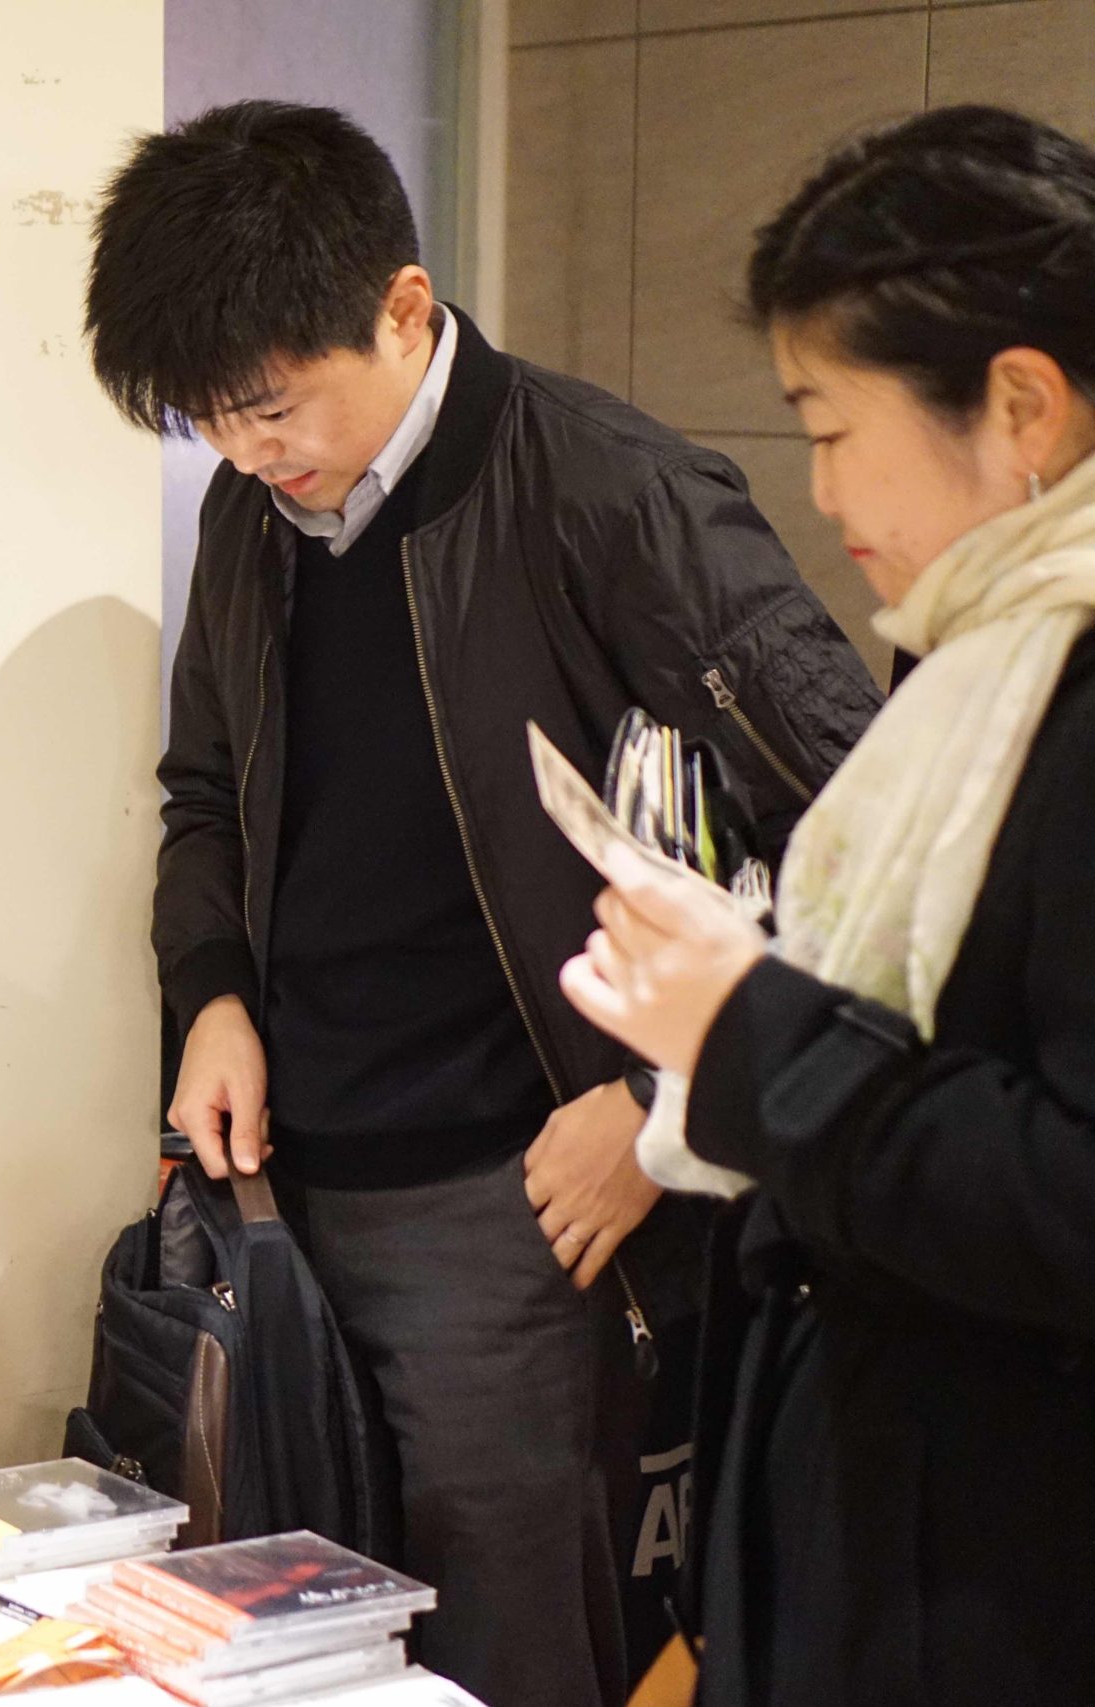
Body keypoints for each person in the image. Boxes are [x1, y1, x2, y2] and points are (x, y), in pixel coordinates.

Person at [86, 101, 880, 1706]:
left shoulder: (615, 495)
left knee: (507, 1655)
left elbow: (859, 833)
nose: (247, 452)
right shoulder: (256, 514)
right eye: (210, 422)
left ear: (403, 307)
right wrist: (213, 987)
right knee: (299, 1661)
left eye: (270, 406)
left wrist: (660, 1108)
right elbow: (203, 794)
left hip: (519, 1203)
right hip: (285, 1197)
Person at [561, 105, 1095, 1707]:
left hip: (1002, 1573)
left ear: (1021, 405)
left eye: (835, 424)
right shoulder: (979, 646)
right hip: (872, 1523)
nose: (821, 483)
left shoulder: (1060, 675)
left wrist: (747, 1027)